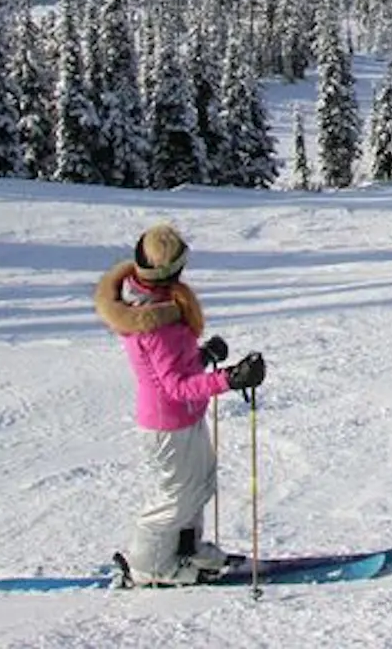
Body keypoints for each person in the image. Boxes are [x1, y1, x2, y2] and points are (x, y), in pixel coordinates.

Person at [93, 222, 266, 586]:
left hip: (183, 418)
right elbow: (175, 386)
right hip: (167, 424)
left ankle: (185, 550)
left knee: (198, 485)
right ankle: (149, 566)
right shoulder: (154, 323)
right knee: (173, 498)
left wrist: (203, 356)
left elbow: (171, 369)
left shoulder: (153, 305)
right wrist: (229, 378)